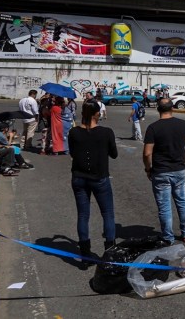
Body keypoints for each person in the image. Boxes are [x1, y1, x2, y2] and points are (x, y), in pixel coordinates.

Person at [68, 101, 118, 264]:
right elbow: (114, 154)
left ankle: (85, 254)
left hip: (79, 177)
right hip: (99, 178)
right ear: (97, 114)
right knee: (107, 214)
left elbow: (74, 153)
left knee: (83, 215)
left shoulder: (74, 132)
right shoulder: (106, 132)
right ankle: (110, 252)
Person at [143, 98, 185, 245]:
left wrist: (148, 169)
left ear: (158, 109)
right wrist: (183, 161)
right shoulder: (183, 124)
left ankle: (168, 237)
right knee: (182, 201)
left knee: (164, 206)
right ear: (172, 108)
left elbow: (147, 153)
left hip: (160, 171)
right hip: (178, 169)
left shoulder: (153, 128)